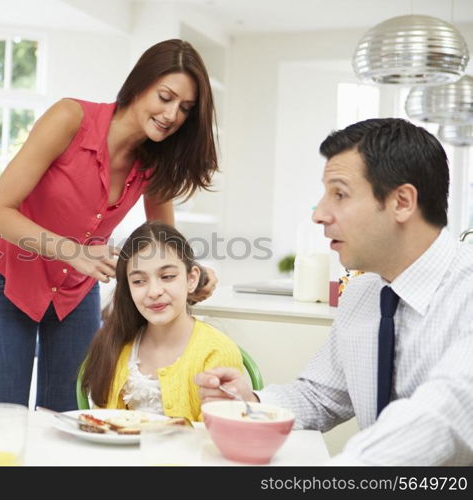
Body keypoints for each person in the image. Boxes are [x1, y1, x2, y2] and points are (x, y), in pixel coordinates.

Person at [196, 118, 473, 465]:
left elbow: (442, 416)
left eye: (339, 194)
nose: (320, 214)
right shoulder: (363, 294)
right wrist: (250, 402)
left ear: (402, 202)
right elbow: (320, 396)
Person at [0, 39, 220, 411]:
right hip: (8, 281)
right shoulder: (70, 118)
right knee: (2, 419)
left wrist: (192, 273)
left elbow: (163, 241)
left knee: (66, 418)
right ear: (140, 85)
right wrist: (72, 251)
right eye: (165, 97)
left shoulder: (157, 161)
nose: (172, 115)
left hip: (75, 293)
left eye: (185, 108)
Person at [82, 221, 243, 422]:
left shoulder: (217, 352)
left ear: (192, 279)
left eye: (167, 276)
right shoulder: (116, 344)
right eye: (139, 281)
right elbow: (103, 424)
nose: (154, 292)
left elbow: (216, 433)